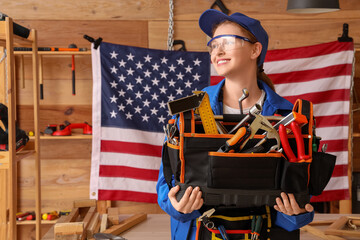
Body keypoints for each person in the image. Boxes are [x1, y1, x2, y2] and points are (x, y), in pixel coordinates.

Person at [157, 9, 314, 240]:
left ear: (255, 49)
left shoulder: (289, 115)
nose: (217, 51)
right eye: (213, 45)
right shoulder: (189, 113)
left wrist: (296, 212)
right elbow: (165, 184)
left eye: (227, 42)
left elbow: (304, 189)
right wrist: (177, 205)